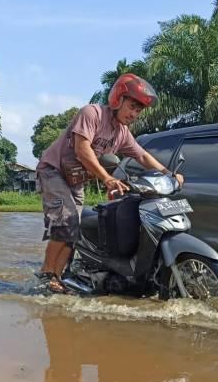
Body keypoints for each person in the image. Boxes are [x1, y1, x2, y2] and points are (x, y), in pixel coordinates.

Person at [35, 73, 184, 293]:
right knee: (66, 222)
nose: (134, 114)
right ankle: (47, 274)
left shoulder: (122, 133)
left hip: (75, 180)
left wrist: (168, 173)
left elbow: (141, 156)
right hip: (53, 171)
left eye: (138, 110)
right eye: (132, 106)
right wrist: (107, 178)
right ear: (117, 99)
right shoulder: (92, 114)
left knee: (74, 229)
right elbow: (82, 149)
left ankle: (58, 278)